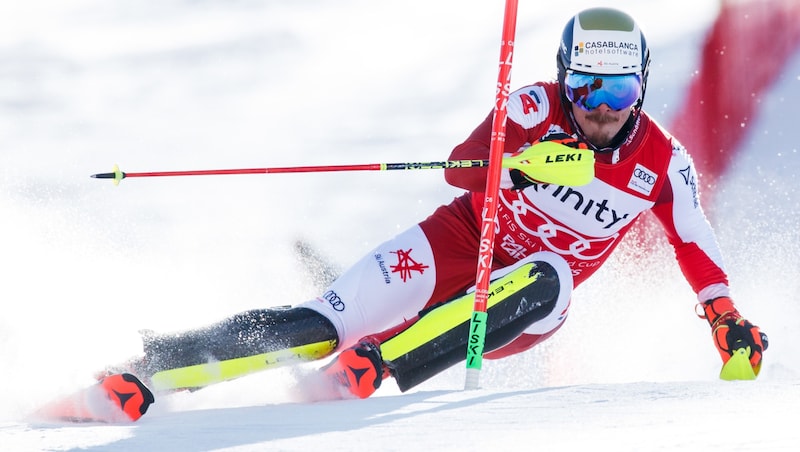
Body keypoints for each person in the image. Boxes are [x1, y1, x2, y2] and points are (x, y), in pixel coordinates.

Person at [113, 7, 768, 402]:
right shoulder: (534, 108)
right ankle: (155, 368)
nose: (601, 110)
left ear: (642, 89)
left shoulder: (662, 161)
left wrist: (724, 316)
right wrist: (515, 167)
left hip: (525, 305)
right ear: (565, 78)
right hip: (460, 241)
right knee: (321, 324)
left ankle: (381, 364)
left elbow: (693, 241)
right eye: (587, 88)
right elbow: (460, 168)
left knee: (552, 275)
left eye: (619, 92)